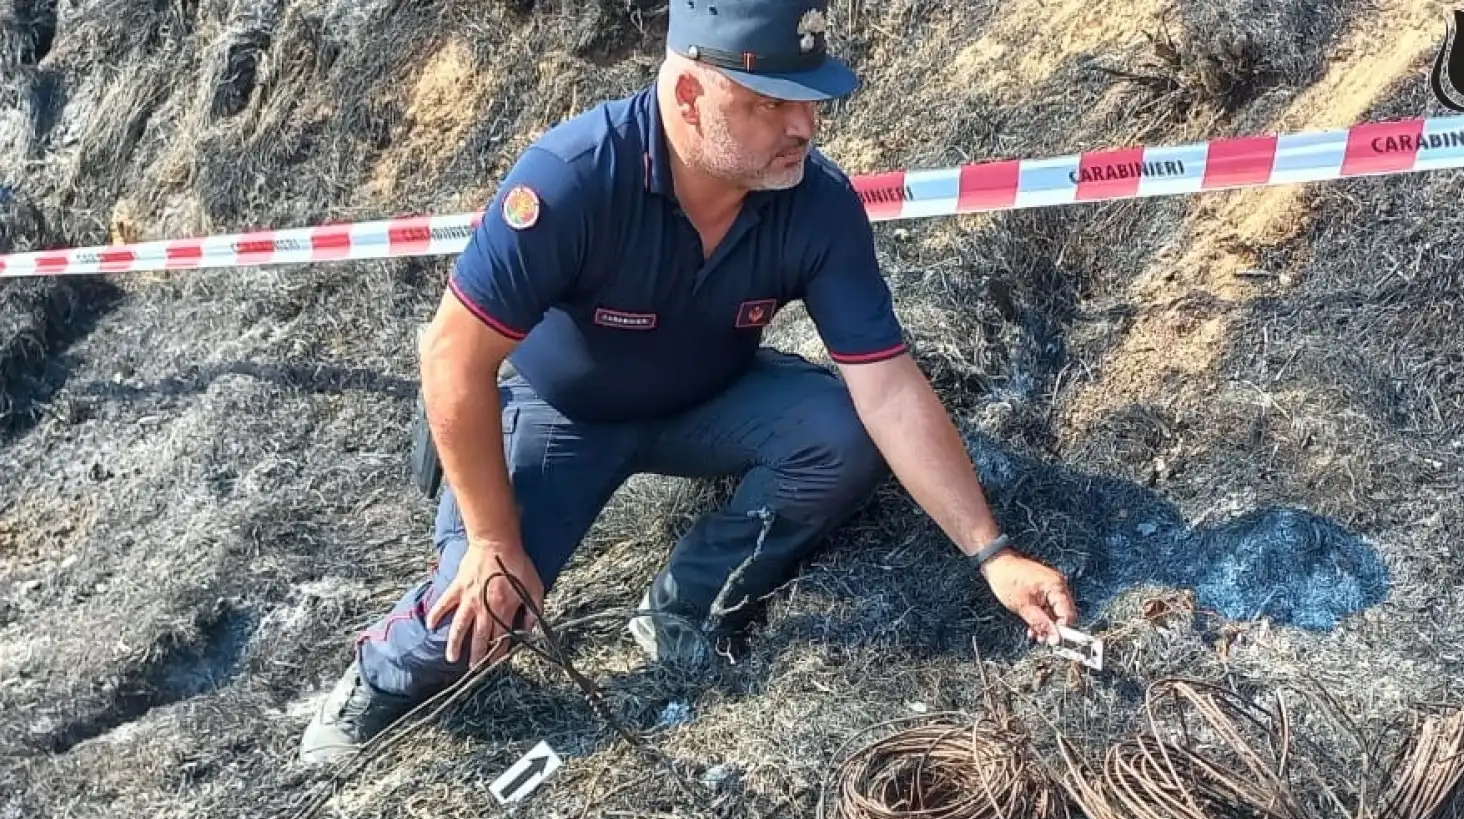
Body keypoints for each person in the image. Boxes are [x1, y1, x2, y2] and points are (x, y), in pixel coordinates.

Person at [299, 0, 1079, 764]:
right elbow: (450, 358)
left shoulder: (817, 204)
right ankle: (377, 677)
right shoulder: (572, 180)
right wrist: (495, 540)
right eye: (771, 103)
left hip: (709, 398)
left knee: (839, 435)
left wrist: (994, 554)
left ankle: (686, 605)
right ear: (687, 93)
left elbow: (889, 389)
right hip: (561, 410)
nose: (803, 127)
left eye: (811, 102)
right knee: (484, 612)